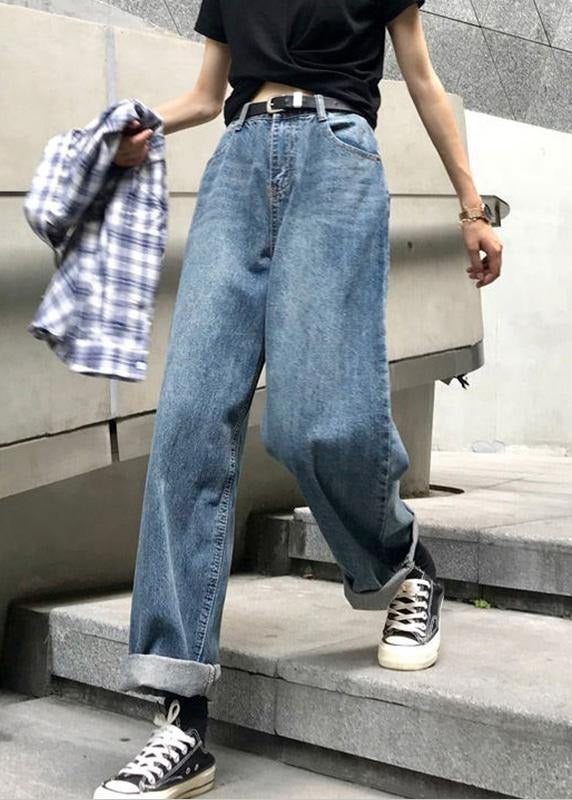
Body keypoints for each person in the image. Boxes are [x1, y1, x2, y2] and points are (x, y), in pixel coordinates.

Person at [93, 0, 503, 797]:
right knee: (187, 422)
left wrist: (471, 208)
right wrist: (142, 126)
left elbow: (422, 78)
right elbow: (208, 93)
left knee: (317, 420)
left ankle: (402, 565)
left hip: (337, 157)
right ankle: (179, 716)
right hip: (238, 163)